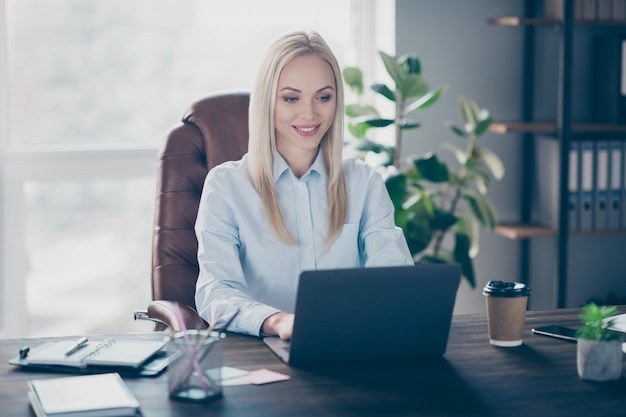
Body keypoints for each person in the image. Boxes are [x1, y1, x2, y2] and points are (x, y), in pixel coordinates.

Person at [194, 30, 412, 340]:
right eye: (291, 98)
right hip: (261, 355)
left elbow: (393, 279)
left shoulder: (364, 183)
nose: (309, 113)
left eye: (323, 97)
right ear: (267, 103)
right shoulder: (226, 186)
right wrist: (279, 321)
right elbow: (216, 292)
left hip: (351, 348)